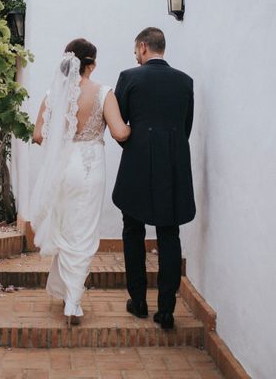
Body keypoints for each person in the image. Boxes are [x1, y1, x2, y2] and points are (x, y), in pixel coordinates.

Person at [30, 38, 131, 326]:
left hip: (63, 168)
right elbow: (120, 132)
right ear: (92, 64)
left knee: (65, 229)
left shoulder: (53, 94)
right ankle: (73, 300)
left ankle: (68, 295)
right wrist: (131, 127)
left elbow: (38, 135)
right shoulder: (103, 93)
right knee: (83, 233)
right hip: (89, 168)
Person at [113, 27, 195, 330]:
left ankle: (138, 302)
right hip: (173, 167)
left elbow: (119, 125)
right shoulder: (185, 82)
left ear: (144, 47)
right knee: (169, 234)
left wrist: (135, 146)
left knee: (132, 230)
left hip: (136, 165)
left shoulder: (130, 77)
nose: (136, 56)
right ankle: (166, 311)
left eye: (137, 50)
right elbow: (185, 127)